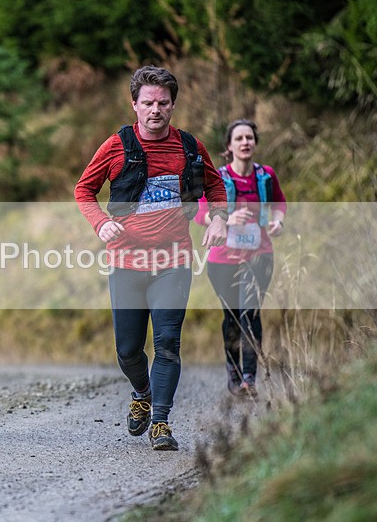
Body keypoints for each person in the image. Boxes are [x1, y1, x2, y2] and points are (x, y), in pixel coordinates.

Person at [74, 66, 228, 451]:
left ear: (173, 105)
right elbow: (83, 190)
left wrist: (220, 219)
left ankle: (160, 420)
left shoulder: (189, 146)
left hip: (173, 261)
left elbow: (215, 186)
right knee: (127, 349)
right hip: (126, 262)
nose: (155, 110)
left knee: (168, 342)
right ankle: (141, 392)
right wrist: (100, 223)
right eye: (148, 103)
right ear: (135, 105)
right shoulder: (115, 146)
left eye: (163, 103)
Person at [195, 119, 286, 398]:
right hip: (223, 259)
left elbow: (279, 203)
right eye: (240, 138)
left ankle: (250, 377)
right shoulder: (218, 178)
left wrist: (278, 222)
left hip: (259, 255)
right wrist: (226, 217)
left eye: (250, 138)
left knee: (251, 312)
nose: (245, 142)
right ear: (229, 146)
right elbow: (201, 212)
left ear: (255, 143)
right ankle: (233, 373)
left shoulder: (266, 175)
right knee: (232, 317)